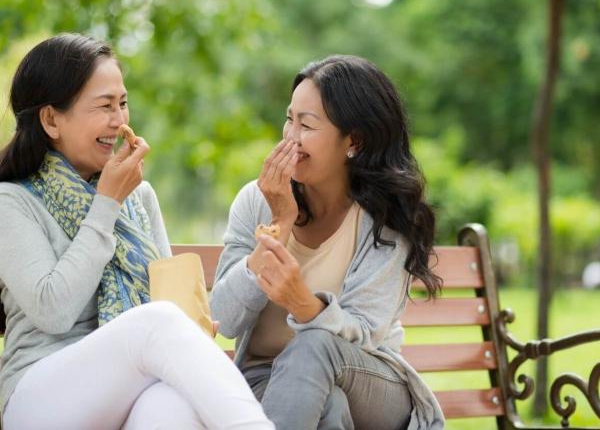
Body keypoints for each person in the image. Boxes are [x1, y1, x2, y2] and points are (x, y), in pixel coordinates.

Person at [0, 34, 273, 430]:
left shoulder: (137, 196)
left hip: (127, 389)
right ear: (51, 119)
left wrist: (193, 325)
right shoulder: (12, 200)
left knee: (172, 402)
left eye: (123, 104)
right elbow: (53, 312)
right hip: (39, 397)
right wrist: (106, 205)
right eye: (105, 106)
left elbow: (168, 302)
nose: (120, 120)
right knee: (157, 323)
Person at [211, 55, 445, 430]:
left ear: (353, 141)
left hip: (369, 382)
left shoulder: (387, 218)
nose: (290, 136)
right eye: (289, 119)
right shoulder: (258, 202)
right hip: (266, 381)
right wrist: (279, 223)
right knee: (328, 408)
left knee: (314, 346)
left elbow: (365, 336)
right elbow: (225, 318)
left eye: (307, 124)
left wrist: (301, 303)